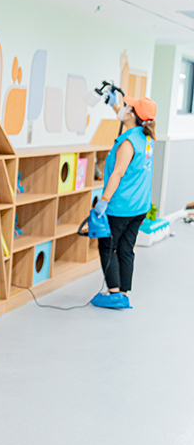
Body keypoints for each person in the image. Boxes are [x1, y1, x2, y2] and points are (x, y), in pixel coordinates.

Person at [91, 95, 158, 309]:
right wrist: (113, 104)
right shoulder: (146, 137)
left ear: (132, 115)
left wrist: (103, 201)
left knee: (108, 247)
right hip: (140, 206)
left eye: (128, 107)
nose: (125, 108)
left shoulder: (128, 142)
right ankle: (123, 293)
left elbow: (118, 173)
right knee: (126, 248)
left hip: (121, 207)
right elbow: (126, 118)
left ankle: (113, 293)